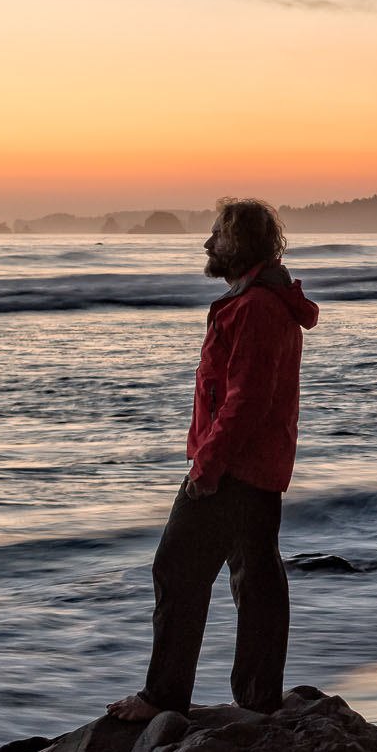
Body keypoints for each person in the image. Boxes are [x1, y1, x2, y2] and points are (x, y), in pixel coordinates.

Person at [108, 199, 319, 721]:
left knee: (178, 571)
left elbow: (244, 401)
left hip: (233, 469)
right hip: (260, 466)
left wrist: (206, 469)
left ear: (241, 245)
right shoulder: (263, 302)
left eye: (217, 236)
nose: (207, 244)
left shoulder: (255, 309)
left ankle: (164, 697)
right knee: (257, 578)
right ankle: (258, 700)